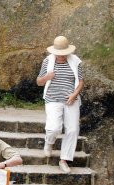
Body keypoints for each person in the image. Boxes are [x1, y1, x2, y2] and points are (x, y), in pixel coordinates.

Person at [36, 35, 84, 174]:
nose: (61, 57)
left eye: (64, 55)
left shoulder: (76, 61)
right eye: (59, 55)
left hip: (70, 99)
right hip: (52, 98)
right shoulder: (47, 61)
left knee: (73, 129)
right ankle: (49, 142)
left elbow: (80, 81)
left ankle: (64, 160)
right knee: (54, 128)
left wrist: (74, 94)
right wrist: (46, 77)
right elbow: (39, 81)